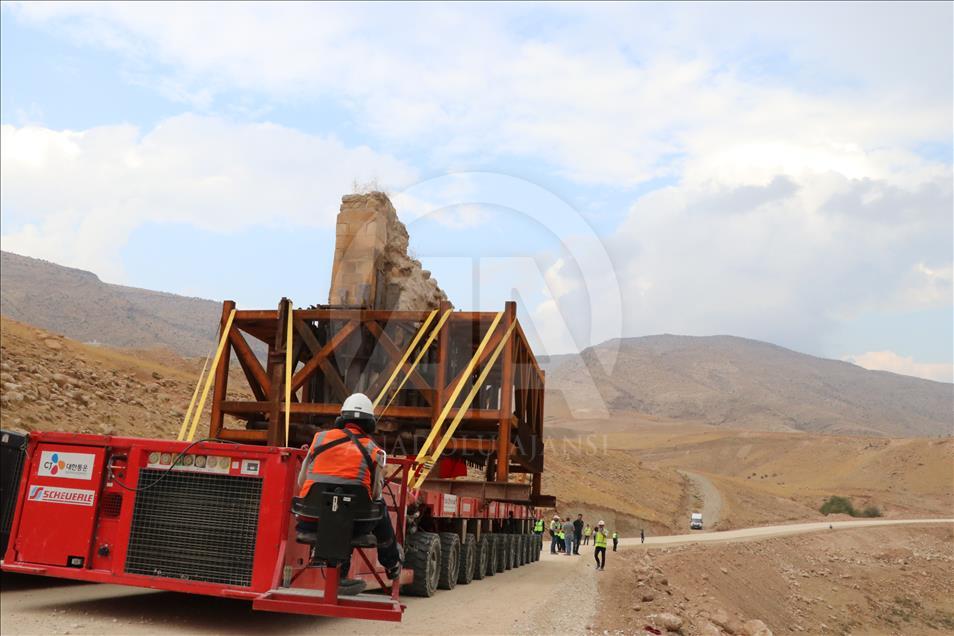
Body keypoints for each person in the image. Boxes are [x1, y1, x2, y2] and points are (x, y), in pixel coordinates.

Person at [297, 393, 402, 585]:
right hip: (355, 526)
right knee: (374, 506)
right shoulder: (374, 451)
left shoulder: (319, 439)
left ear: (341, 419)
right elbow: (376, 494)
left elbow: (301, 481)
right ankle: (392, 563)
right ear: (370, 424)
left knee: (343, 509)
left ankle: (339, 572)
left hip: (310, 520)